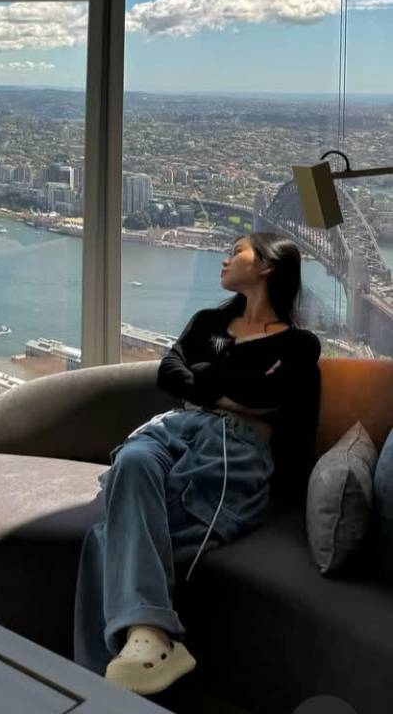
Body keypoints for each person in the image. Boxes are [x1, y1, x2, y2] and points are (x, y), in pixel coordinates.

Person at [73, 231, 321, 696]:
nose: (224, 260)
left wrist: (206, 378)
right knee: (134, 459)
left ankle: (98, 685)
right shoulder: (208, 321)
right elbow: (170, 372)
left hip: (233, 448)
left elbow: (273, 399)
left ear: (267, 265)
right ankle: (150, 642)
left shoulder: (300, 344)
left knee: (107, 539)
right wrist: (229, 390)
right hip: (174, 428)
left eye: (236, 251)